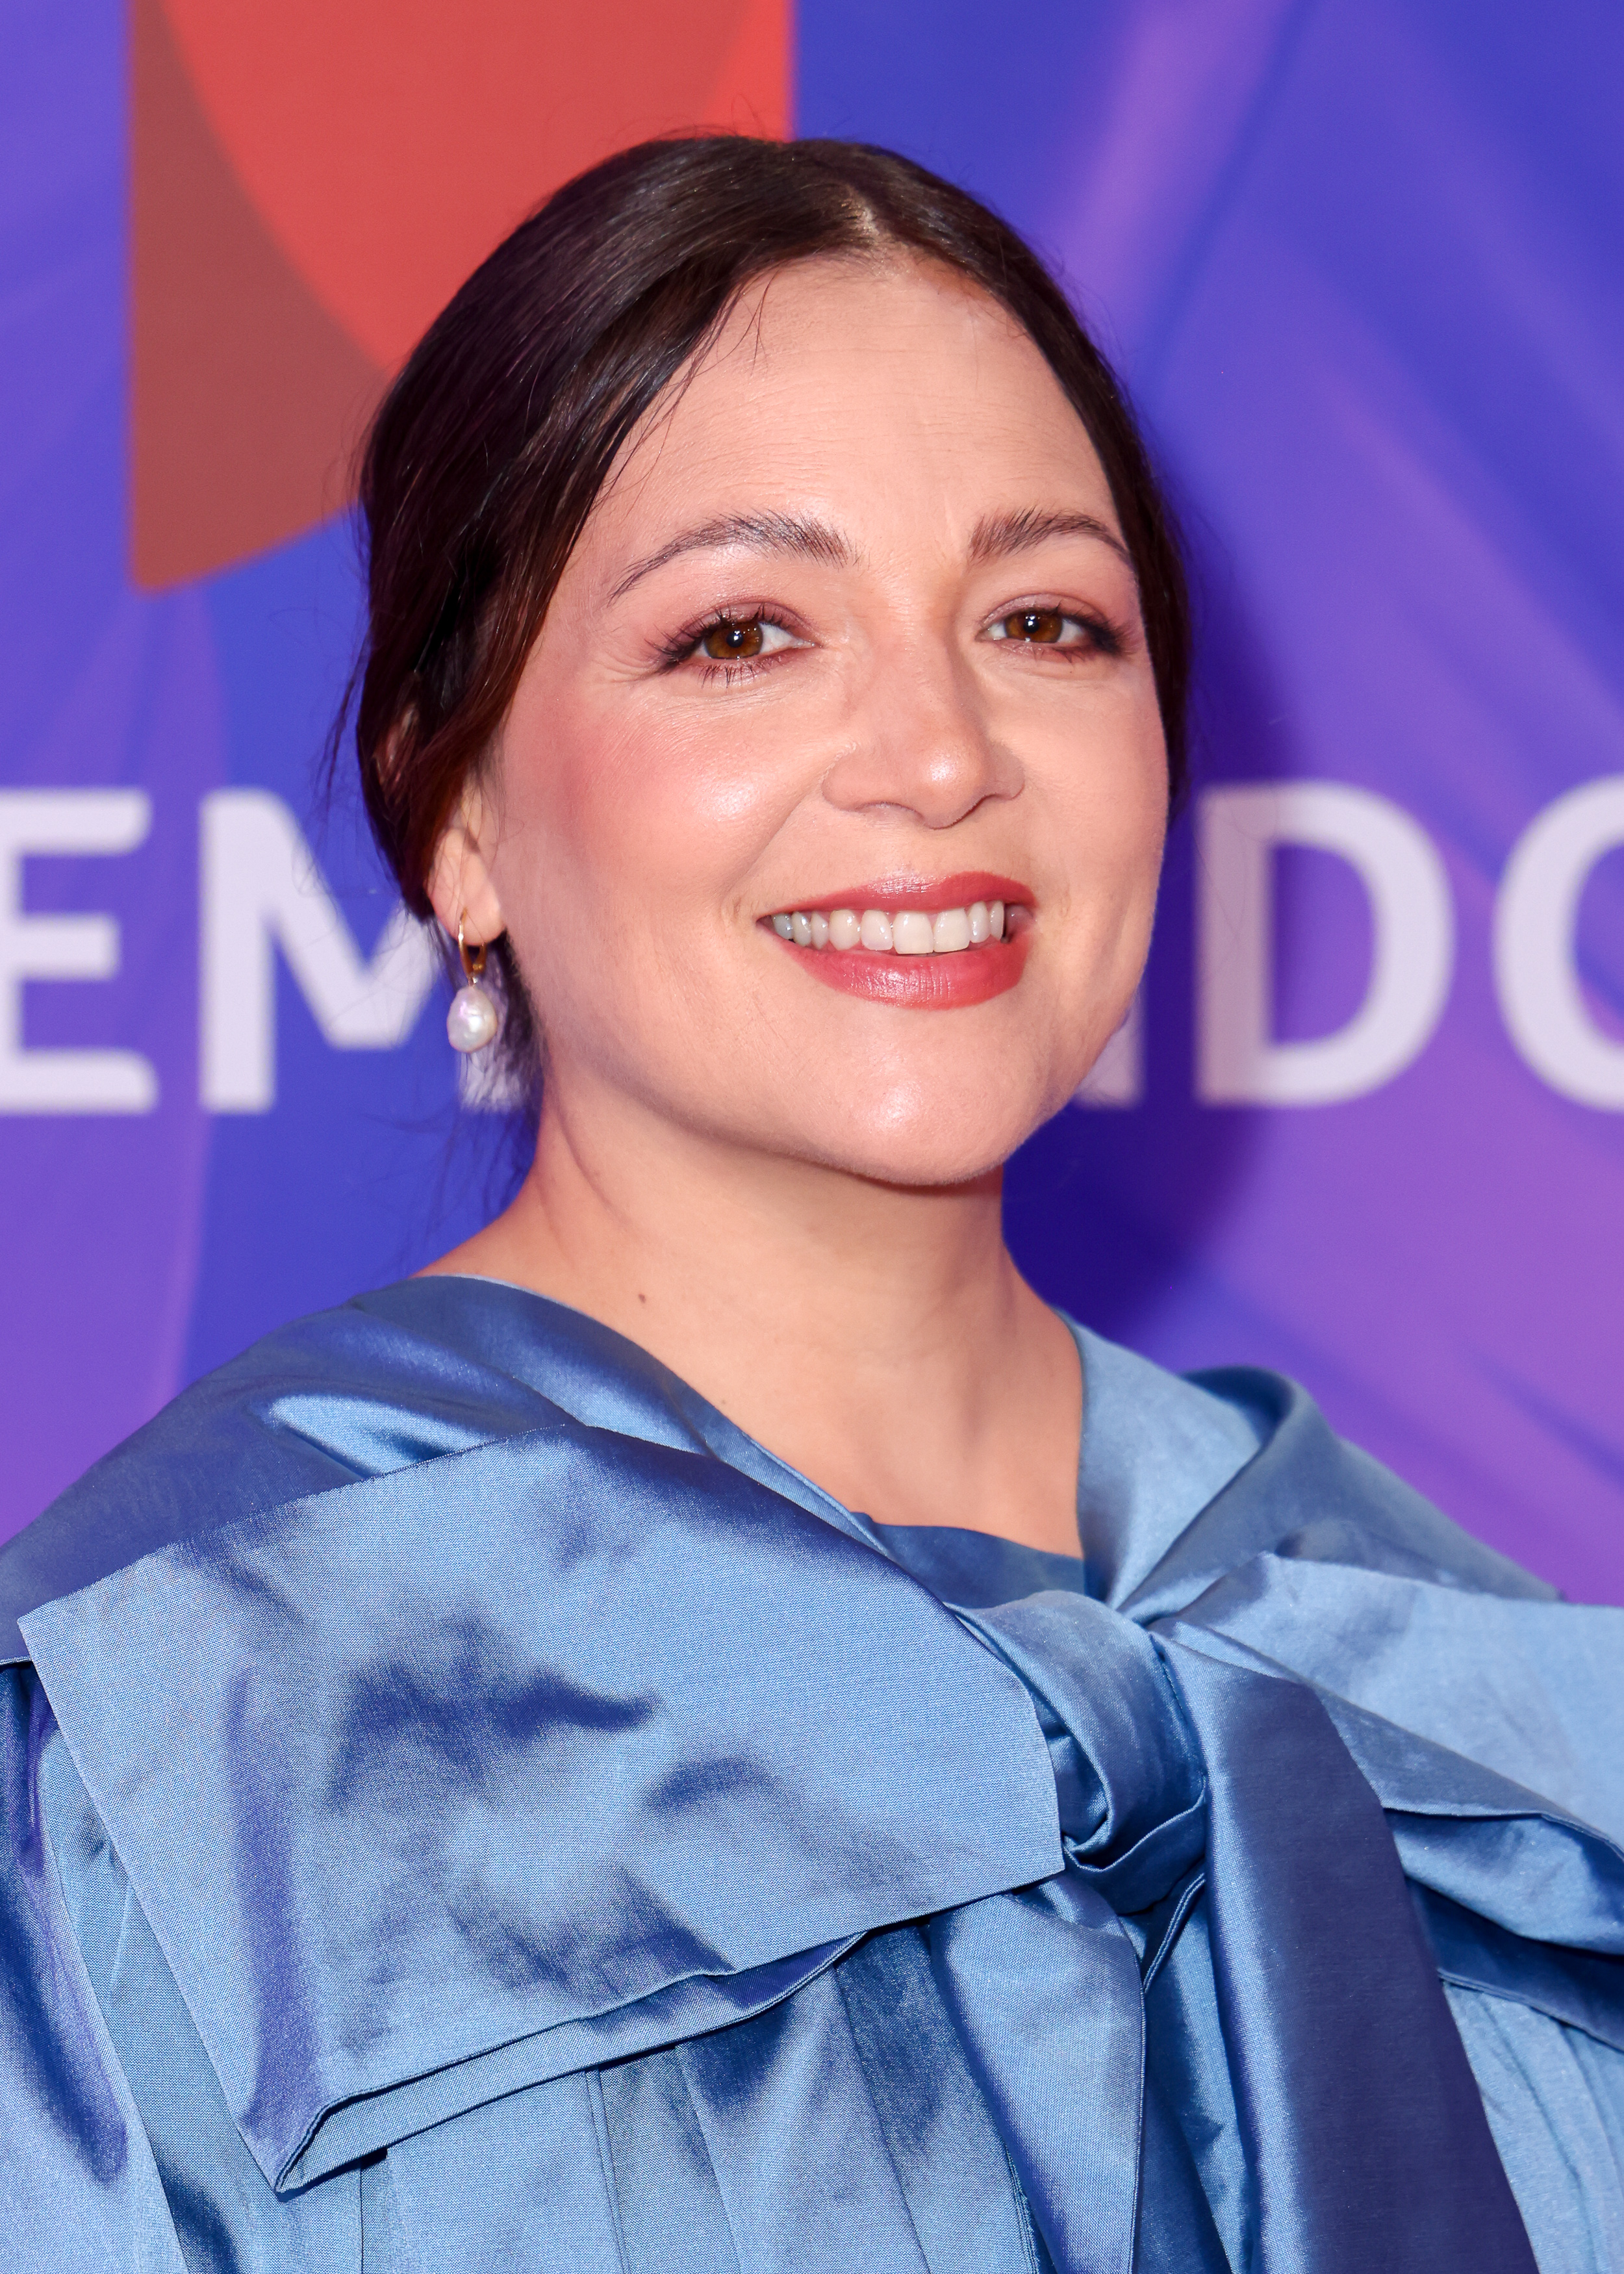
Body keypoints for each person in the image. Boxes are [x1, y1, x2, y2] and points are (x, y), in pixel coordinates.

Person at [2, 135, 1620, 2274]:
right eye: (744, 632)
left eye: (1044, 620)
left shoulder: (1481, 1694)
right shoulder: (162, 1742)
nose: (937, 750)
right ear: (455, 808)